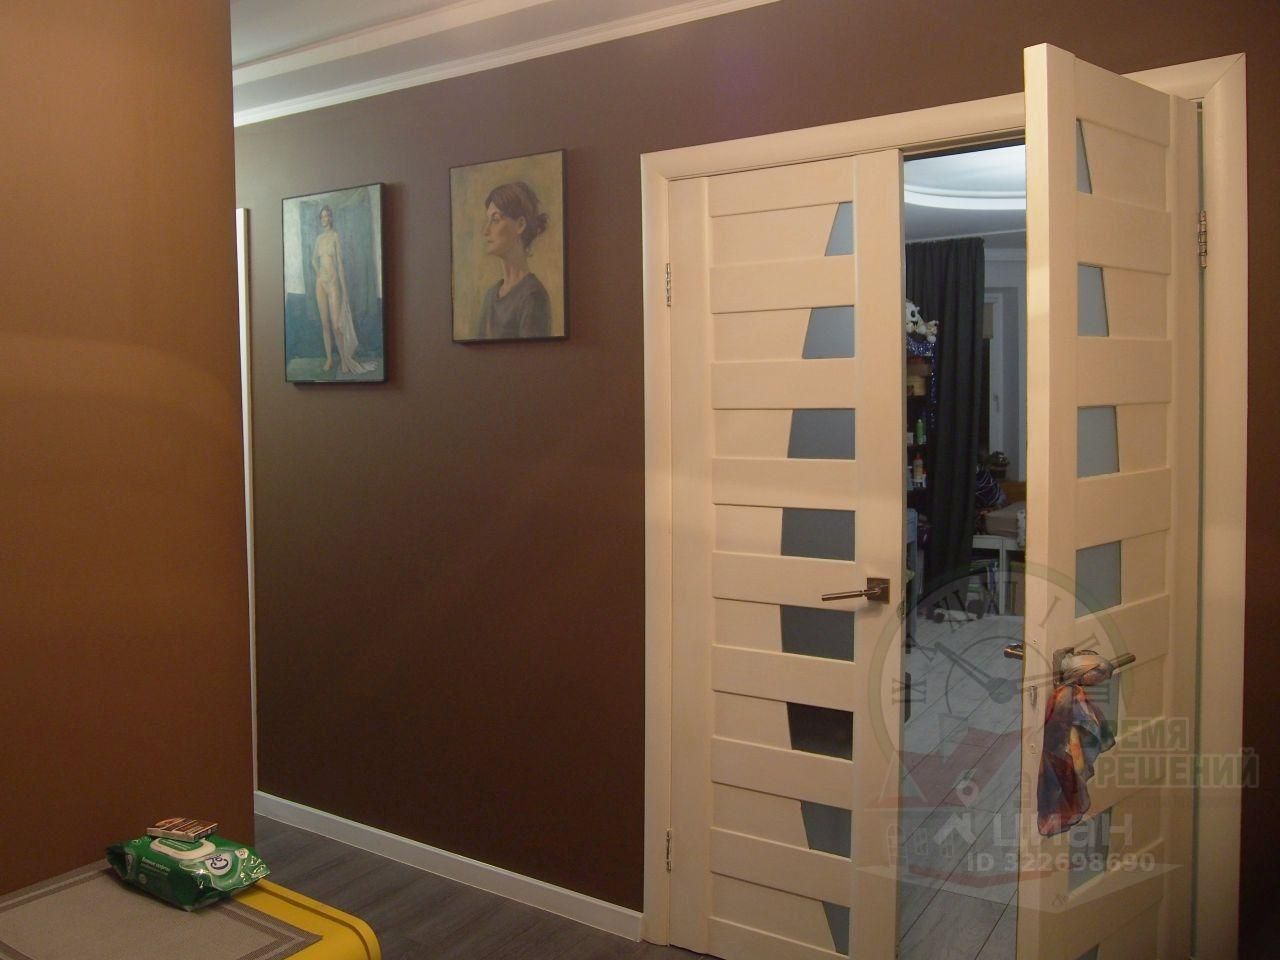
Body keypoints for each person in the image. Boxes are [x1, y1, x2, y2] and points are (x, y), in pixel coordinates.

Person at [478, 182, 552, 339]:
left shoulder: (533, 296)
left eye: (495, 220)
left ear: (520, 225)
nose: (485, 231)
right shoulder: (491, 296)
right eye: (488, 220)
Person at [312, 205, 374, 374]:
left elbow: (339, 263)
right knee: (325, 324)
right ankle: (329, 359)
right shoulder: (319, 238)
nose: (325, 219)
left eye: (327, 216)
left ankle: (344, 359)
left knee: (336, 325)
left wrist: (344, 290)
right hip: (320, 283)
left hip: (333, 283)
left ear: (331, 218)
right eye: (322, 216)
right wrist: (318, 273)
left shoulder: (335, 236)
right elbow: (313, 260)